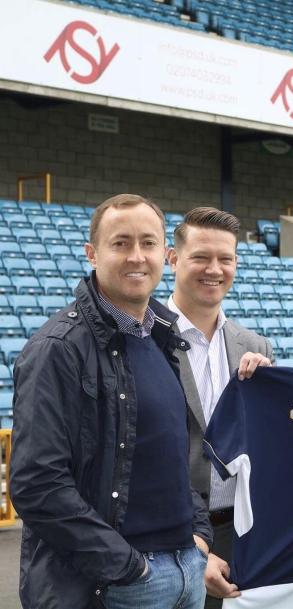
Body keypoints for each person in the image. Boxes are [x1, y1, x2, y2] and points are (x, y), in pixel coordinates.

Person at [10, 194, 212, 609]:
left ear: (167, 255)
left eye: (148, 243)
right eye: (120, 243)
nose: (136, 256)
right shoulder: (57, 349)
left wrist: (197, 536)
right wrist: (129, 567)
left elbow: (170, 456)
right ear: (92, 253)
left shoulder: (162, 339)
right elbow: (36, 485)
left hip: (185, 572)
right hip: (116, 585)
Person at [167, 207, 272, 607]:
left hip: (241, 530)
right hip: (168, 533)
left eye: (225, 259)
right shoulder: (145, 340)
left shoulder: (256, 347)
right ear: (173, 259)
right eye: (201, 257)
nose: (215, 269)